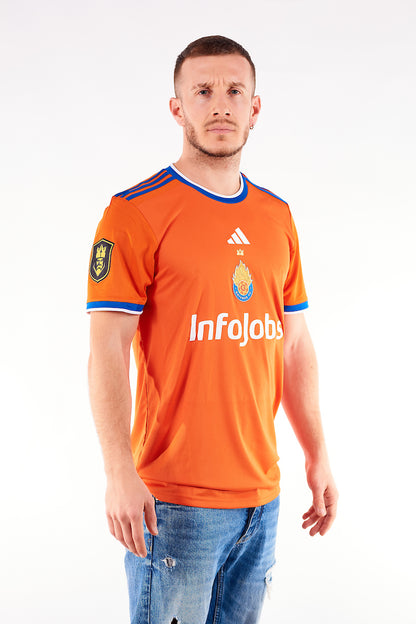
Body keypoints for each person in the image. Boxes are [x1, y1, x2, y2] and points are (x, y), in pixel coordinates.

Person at [87, 35, 338, 624]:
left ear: (255, 107)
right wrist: (118, 471)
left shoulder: (276, 216)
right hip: (174, 505)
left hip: (263, 500)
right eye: (203, 91)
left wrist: (317, 453)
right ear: (177, 108)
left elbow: (294, 344)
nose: (220, 104)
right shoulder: (133, 213)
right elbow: (106, 349)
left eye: (234, 91)